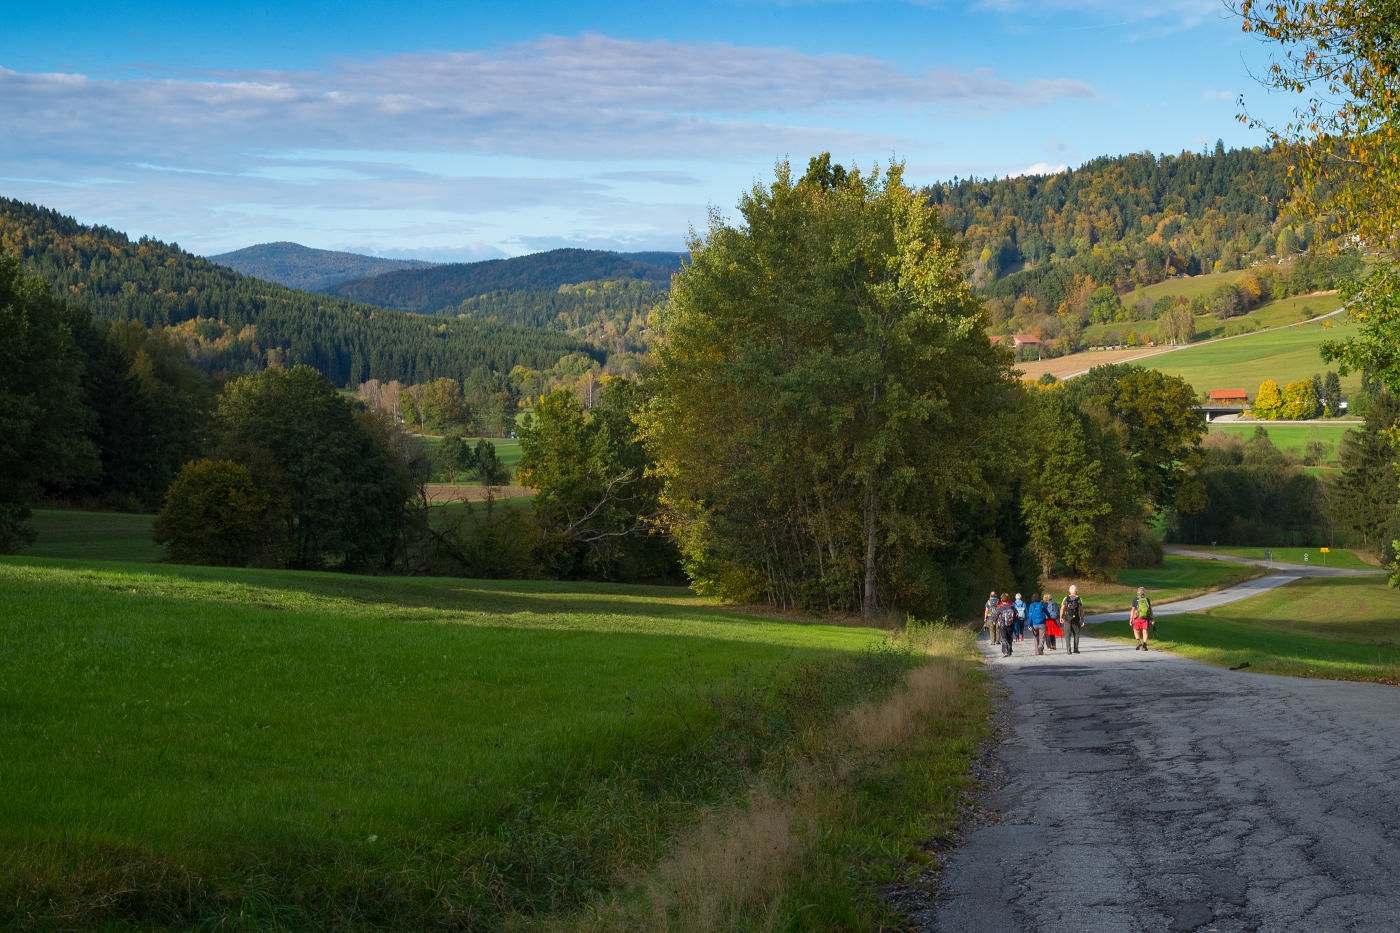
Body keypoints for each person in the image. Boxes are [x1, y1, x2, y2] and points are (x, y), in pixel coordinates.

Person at [1060, 585, 1084, 655]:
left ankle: (1068, 649)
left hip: (1067, 619)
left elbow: (1062, 608)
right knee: (1076, 633)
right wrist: (1082, 620)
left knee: (1067, 634)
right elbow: (1081, 610)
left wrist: (1061, 617)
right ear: (1076, 591)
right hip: (1076, 619)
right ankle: (1076, 649)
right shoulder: (1079, 599)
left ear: (1069, 591)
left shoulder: (1066, 598)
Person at [1130, 586, 1153, 651]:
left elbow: (1132, 610)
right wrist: (1152, 619)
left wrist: (1131, 619)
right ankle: (1144, 645)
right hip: (1146, 618)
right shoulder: (1147, 600)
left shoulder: (1135, 599)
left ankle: (1138, 641)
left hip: (1137, 618)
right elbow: (1150, 610)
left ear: (1138, 592)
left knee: (1136, 630)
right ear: (1144, 592)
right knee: (1145, 631)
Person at [995, 592, 1016, 657]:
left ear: (1001, 600)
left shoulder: (1000, 608)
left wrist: (994, 621)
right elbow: (1016, 614)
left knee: (1004, 638)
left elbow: (996, 615)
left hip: (1002, 624)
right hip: (1010, 624)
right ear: (1008, 599)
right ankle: (1009, 651)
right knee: (1009, 637)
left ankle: (1005, 651)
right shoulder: (1012, 607)